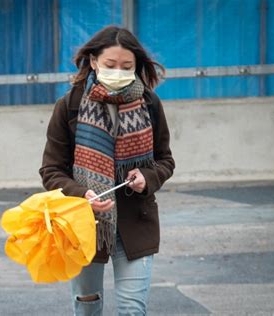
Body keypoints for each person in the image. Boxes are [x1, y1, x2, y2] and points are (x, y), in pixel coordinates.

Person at [39, 25, 175, 315]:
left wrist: (147, 177)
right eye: (110, 65)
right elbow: (51, 170)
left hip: (137, 221)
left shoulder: (150, 104)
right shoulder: (70, 106)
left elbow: (165, 160)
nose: (118, 72)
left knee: (132, 309)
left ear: (137, 65)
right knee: (87, 307)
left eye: (127, 66)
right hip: (84, 225)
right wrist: (81, 192)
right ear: (93, 62)